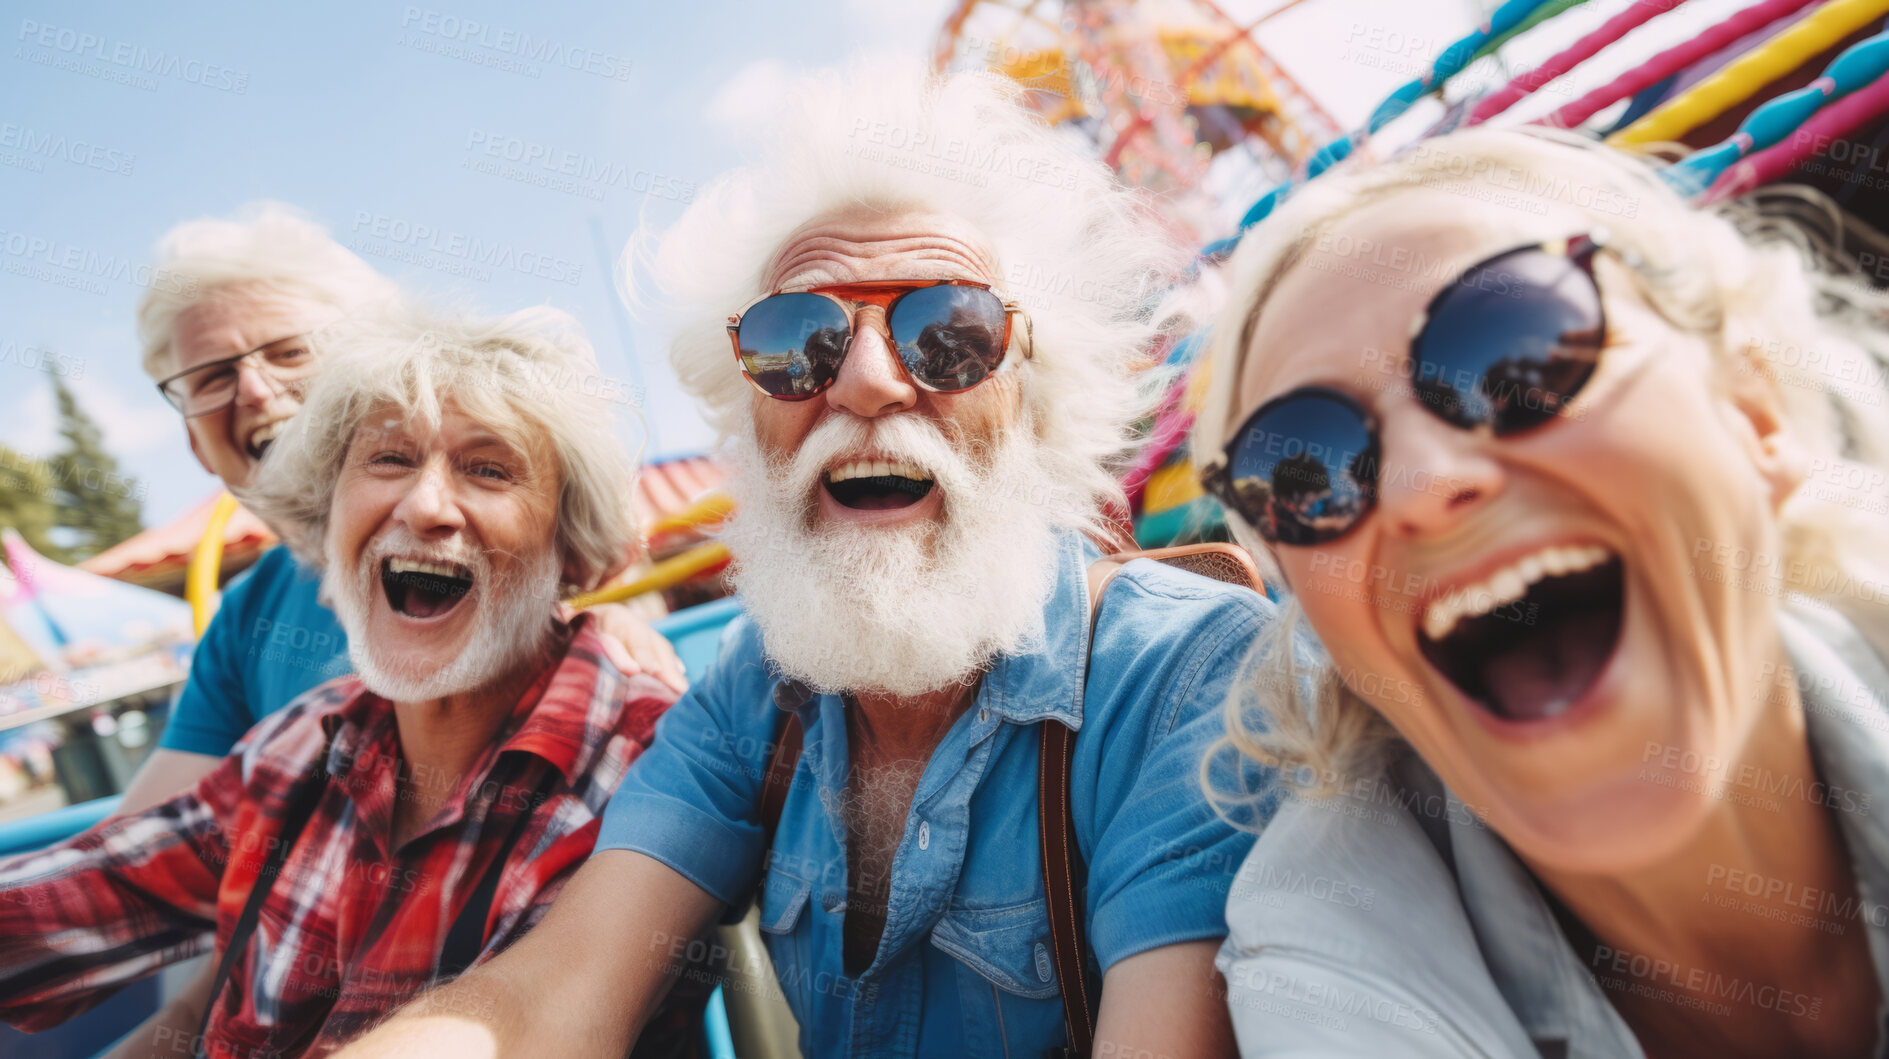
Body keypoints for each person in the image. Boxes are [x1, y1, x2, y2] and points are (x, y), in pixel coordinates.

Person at [339, 63, 1276, 1059]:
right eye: (800, 341)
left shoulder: (1186, 673)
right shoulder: (756, 696)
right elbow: (552, 992)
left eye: (949, 332)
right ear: (750, 410)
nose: (868, 383)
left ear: (1031, 400)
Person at [1194, 127, 1889, 1057]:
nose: (1420, 485)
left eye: (1516, 345)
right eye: (1302, 464)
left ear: (1752, 412)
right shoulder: (1333, 966)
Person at [0, 309, 699, 1058]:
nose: (424, 505)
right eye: (390, 460)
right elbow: (80, 901)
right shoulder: (305, 737)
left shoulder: (646, 764)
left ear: (575, 555)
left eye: (488, 469)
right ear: (326, 538)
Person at [121, 204, 685, 816]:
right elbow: (140, 842)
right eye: (211, 377)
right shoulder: (247, 622)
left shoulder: (528, 563)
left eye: (288, 352)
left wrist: (597, 629)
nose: (256, 389)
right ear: (193, 443)